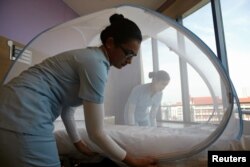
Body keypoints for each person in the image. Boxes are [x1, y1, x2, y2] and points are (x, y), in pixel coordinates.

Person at [0, 14, 158, 167]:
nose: (130, 61)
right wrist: (133, 161)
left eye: (134, 56)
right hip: (23, 111)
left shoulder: (91, 59)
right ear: (110, 43)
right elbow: (96, 133)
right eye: (128, 53)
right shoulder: (95, 64)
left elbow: (67, 110)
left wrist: (78, 143)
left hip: (12, 105)